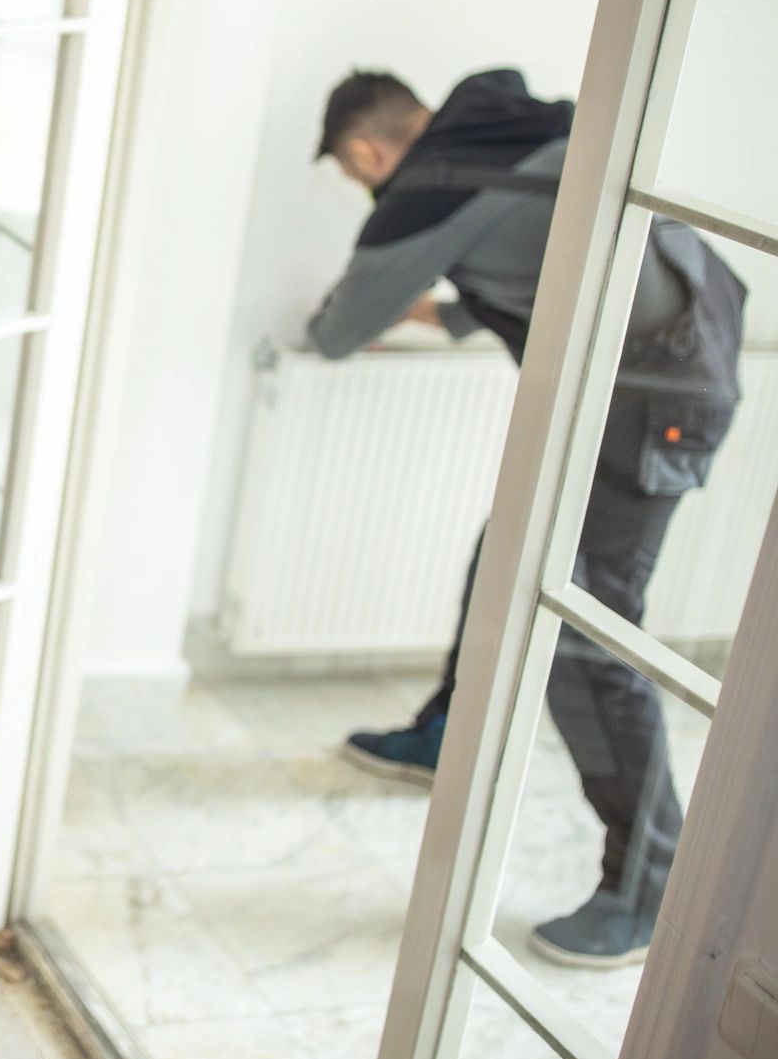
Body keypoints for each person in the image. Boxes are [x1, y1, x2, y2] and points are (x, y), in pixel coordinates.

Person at [306, 67, 744, 968]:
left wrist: (385, 299)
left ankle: (650, 884)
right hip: (644, 361)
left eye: (355, 175)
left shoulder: (420, 191)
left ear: (365, 152)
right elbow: (557, 242)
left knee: (586, 633)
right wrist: (457, 314)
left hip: (651, 397)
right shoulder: (500, 123)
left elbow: (338, 330)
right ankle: (444, 736)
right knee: (507, 554)